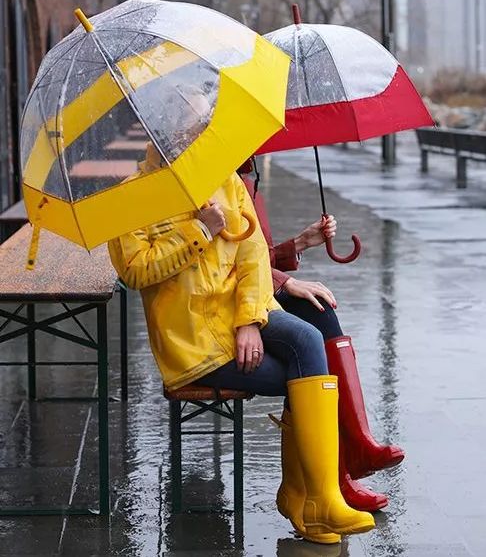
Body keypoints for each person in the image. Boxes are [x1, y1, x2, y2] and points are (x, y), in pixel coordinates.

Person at [108, 139, 376, 545]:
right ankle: (303, 497)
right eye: (186, 132)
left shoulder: (224, 179)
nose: (194, 139)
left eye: (199, 130)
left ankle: (318, 497)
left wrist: (249, 320)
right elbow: (135, 272)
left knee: (308, 337)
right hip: (194, 342)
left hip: (240, 315)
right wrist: (199, 231)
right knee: (300, 373)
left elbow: (252, 257)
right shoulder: (130, 197)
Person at [239, 159, 405, 515]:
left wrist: (300, 242)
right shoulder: (217, 182)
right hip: (233, 307)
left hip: (253, 292)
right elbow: (224, 262)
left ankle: (347, 464)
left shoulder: (245, 177)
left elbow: (253, 256)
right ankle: (343, 469)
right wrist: (286, 282)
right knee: (309, 337)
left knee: (320, 311)